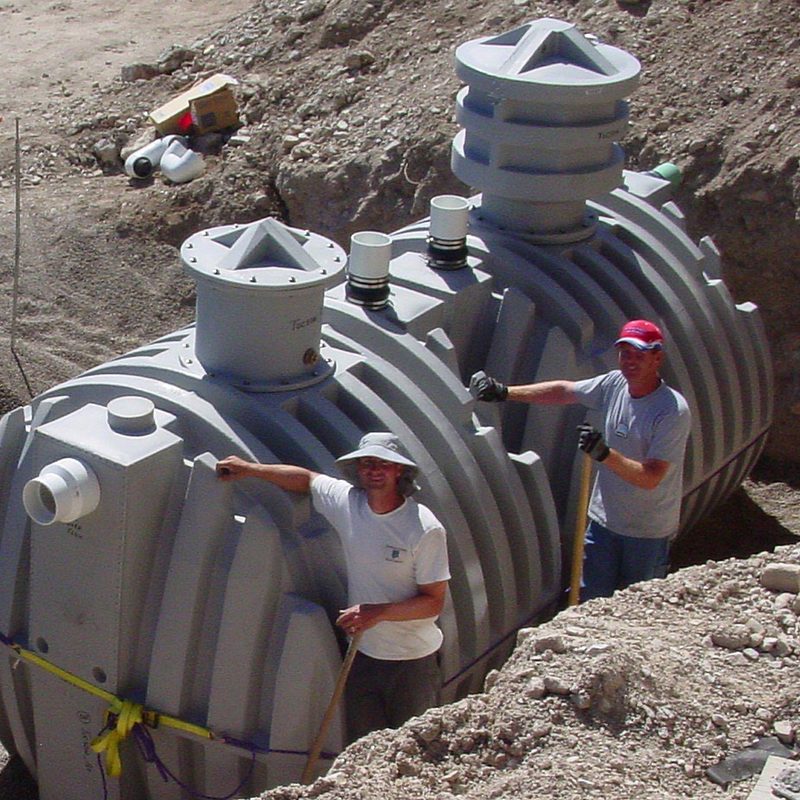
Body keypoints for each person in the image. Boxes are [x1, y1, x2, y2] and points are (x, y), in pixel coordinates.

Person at [216, 432, 450, 742]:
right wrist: (249, 469)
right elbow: (307, 479)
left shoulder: (423, 527)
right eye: (367, 463)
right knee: (366, 748)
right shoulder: (349, 504)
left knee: (413, 747)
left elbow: (433, 601)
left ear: (399, 471)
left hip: (412, 662)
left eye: (383, 464)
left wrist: (378, 613)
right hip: (363, 655)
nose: (374, 470)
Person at [470, 319, 691, 600]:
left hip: (645, 534)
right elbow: (564, 391)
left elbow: (651, 478)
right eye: (625, 353)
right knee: (591, 603)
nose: (630, 362)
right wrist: (505, 392)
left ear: (657, 357)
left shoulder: (671, 411)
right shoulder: (615, 384)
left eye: (639, 354)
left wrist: (605, 455)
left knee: (635, 608)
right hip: (603, 523)